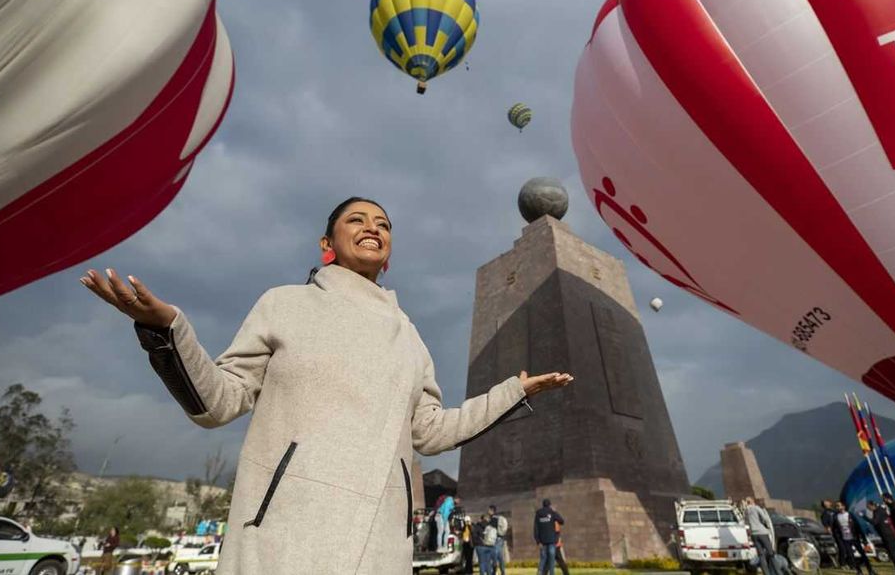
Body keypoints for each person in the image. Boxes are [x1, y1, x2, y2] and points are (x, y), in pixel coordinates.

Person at [80, 197, 574, 574]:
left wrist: (514, 391)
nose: (373, 228)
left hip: (381, 542)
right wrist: (167, 331)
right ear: (327, 245)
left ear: (389, 257)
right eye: (357, 220)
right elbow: (218, 402)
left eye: (383, 225)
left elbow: (429, 432)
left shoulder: (410, 337)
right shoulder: (283, 304)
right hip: (284, 531)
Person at [831, 501, 875, 575]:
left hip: (854, 538)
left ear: (843, 506)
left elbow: (858, 527)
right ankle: (859, 571)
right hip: (845, 539)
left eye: (839, 506)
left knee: (862, 554)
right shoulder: (835, 516)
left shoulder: (849, 515)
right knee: (851, 556)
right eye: (836, 506)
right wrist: (838, 538)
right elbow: (834, 529)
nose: (838, 507)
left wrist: (864, 539)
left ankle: (870, 570)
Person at [867, 500, 895, 575]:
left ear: (871, 505)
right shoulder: (881, 510)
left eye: (868, 507)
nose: (868, 509)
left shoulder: (878, 511)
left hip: (886, 534)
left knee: (894, 554)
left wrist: (864, 517)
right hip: (888, 534)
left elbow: (874, 522)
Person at [744, 498, 777, 575]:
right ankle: (776, 571)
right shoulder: (756, 508)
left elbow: (746, 522)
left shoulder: (746, 511)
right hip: (762, 532)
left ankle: (766, 573)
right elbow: (765, 519)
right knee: (770, 553)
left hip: (754, 534)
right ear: (753, 502)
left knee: (761, 555)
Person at [534, 499, 564, 575]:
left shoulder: (538, 513)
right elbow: (561, 521)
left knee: (543, 560)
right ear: (549, 505)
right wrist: (554, 511)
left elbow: (536, 528)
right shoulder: (551, 512)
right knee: (551, 561)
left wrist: (538, 541)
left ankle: (539, 573)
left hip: (542, 541)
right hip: (551, 540)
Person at [820, 499, 845, 568]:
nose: (827, 503)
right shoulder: (825, 513)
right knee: (841, 547)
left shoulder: (835, 511)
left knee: (845, 547)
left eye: (827, 502)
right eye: (825, 502)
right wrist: (828, 528)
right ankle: (841, 563)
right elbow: (825, 522)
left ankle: (847, 562)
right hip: (835, 532)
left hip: (842, 531)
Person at [488, 504, 508, 574]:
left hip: (496, 540)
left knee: (494, 557)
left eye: (489, 510)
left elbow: (491, 530)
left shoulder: (493, 519)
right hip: (501, 539)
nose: (488, 512)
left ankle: (493, 572)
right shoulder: (499, 518)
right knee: (500, 557)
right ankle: (503, 572)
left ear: (492, 510)